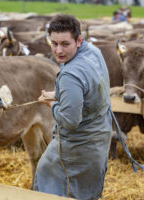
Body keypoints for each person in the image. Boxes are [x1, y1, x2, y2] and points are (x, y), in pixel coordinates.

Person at [34, 14, 112, 200]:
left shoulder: (70, 74)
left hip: (78, 144)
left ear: (78, 40)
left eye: (65, 44)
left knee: (46, 173)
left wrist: (52, 104)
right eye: (54, 43)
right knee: (86, 191)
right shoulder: (93, 51)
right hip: (100, 135)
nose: (58, 50)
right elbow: (89, 88)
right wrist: (60, 94)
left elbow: (70, 121)